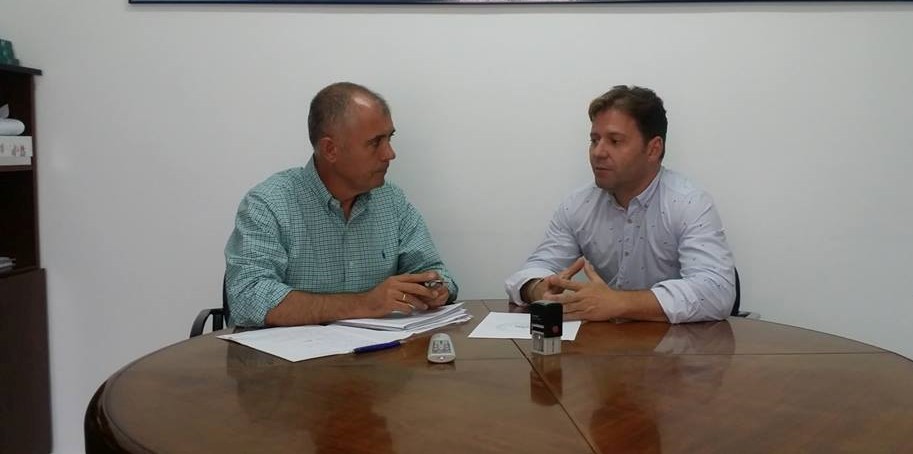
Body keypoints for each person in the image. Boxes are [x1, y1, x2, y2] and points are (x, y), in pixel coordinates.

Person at [225, 82, 458, 327]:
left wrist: (435, 289)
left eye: (389, 138)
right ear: (330, 149)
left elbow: (434, 271)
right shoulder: (269, 204)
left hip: (378, 349)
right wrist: (365, 304)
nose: (389, 154)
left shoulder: (392, 200)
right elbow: (248, 296)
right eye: (375, 142)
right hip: (291, 352)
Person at [504, 85, 735, 324]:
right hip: (606, 343)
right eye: (594, 140)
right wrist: (538, 289)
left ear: (653, 149)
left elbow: (717, 292)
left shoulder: (688, 203)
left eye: (614, 141)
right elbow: (534, 269)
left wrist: (619, 303)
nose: (598, 152)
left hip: (676, 343)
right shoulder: (578, 205)